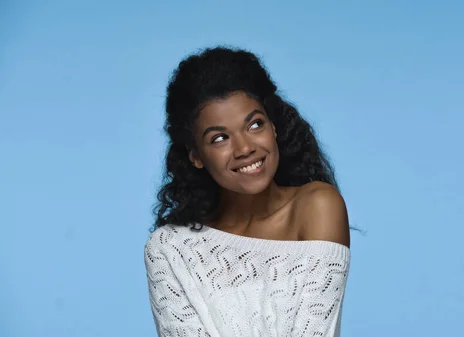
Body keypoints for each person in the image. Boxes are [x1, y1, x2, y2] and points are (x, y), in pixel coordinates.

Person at [143, 46, 351, 337]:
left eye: (254, 124)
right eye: (219, 138)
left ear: (274, 126)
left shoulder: (317, 207)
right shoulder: (170, 248)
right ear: (196, 156)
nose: (244, 148)